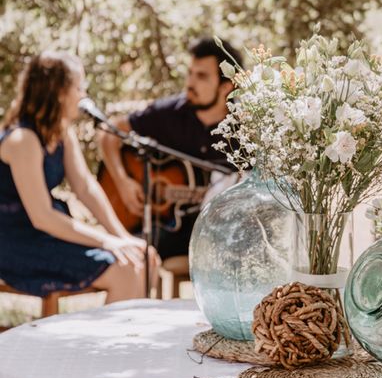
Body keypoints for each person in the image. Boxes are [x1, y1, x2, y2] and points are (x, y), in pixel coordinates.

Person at [0, 51, 159, 303]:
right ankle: (105, 343)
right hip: (16, 243)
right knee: (126, 272)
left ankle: (130, 339)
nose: (83, 95)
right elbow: (42, 217)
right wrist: (108, 242)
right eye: (79, 87)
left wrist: (123, 238)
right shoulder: (23, 140)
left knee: (145, 259)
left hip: (47, 235)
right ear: (59, 92)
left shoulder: (61, 132)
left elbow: (86, 188)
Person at [99, 37, 242, 261]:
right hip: (166, 232)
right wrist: (122, 181)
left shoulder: (245, 128)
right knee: (135, 249)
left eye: (201, 76)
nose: (190, 83)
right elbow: (110, 131)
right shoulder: (169, 113)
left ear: (227, 86)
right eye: (190, 73)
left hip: (219, 234)